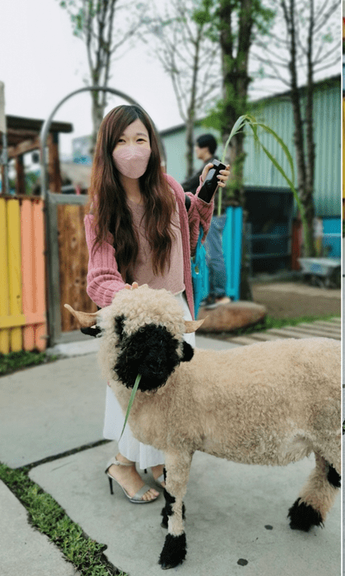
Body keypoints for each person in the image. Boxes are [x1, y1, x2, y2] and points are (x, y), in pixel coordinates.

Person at [85, 105, 229, 503]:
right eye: (121, 141)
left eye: (140, 139)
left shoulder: (166, 187)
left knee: (174, 394)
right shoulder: (105, 207)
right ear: (107, 150)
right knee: (140, 396)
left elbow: (191, 230)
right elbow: (99, 276)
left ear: (152, 144)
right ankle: (121, 463)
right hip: (138, 319)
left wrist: (207, 191)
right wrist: (131, 298)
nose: (132, 150)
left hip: (178, 309)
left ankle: (155, 461)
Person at [181, 133, 230, 308]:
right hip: (211, 215)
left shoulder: (214, 166)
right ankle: (212, 294)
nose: (195, 149)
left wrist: (172, 189)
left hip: (214, 216)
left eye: (197, 146)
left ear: (204, 148)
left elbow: (189, 184)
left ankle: (220, 294)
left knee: (214, 256)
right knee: (209, 257)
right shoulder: (208, 166)